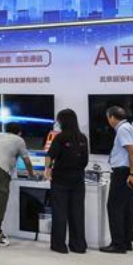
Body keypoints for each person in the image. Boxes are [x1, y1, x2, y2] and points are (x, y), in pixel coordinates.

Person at [0, 122, 34, 247]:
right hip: (1, 171)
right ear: (19, 132)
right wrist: (32, 174)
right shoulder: (19, 140)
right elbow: (26, 159)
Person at [45, 109, 89, 254]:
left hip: (60, 179)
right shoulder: (83, 138)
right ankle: (79, 245)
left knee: (60, 212)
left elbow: (50, 156)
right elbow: (85, 161)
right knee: (77, 212)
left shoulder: (60, 138)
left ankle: (59, 245)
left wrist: (48, 170)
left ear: (62, 121)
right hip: (77, 179)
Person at [101, 106, 133, 254]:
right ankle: (126, 241)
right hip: (129, 171)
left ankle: (118, 244)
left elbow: (132, 151)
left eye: (107, 117)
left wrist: (132, 173)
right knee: (126, 207)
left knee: (114, 207)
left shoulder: (122, 129)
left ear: (112, 117)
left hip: (123, 173)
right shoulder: (130, 128)